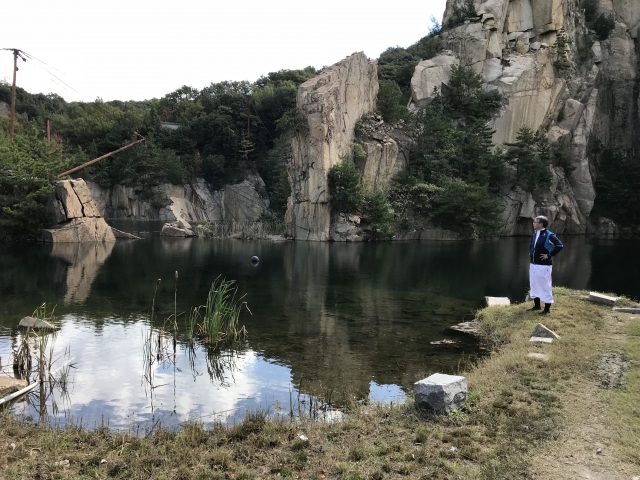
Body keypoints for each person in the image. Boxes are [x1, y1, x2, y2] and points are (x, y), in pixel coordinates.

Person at [527, 215, 563, 315]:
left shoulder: (548, 235)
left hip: (544, 266)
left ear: (541, 224)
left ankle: (546, 310)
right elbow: (532, 245)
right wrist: (531, 252)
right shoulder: (535, 233)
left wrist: (549, 255)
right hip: (533, 264)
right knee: (534, 284)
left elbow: (559, 245)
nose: (533, 223)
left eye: (535, 222)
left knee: (545, 286)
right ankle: (537, 306)